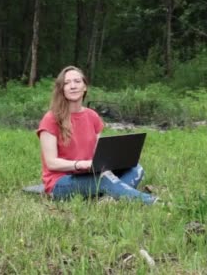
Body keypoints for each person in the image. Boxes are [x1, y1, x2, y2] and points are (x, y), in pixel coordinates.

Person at [36, 65, 157, 204]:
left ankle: (109, 198)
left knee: (136, 168)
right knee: (104, 179)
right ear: (61, 89)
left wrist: (117, 161)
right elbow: (51, 163)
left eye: (77, 81)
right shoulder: (51, 118)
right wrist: (80, 165)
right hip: (60, 182)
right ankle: (152, 202)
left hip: (90, 174)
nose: (72, 86)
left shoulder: (92, 116)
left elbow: (98, 153)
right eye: (67, 83)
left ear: (85, 87)